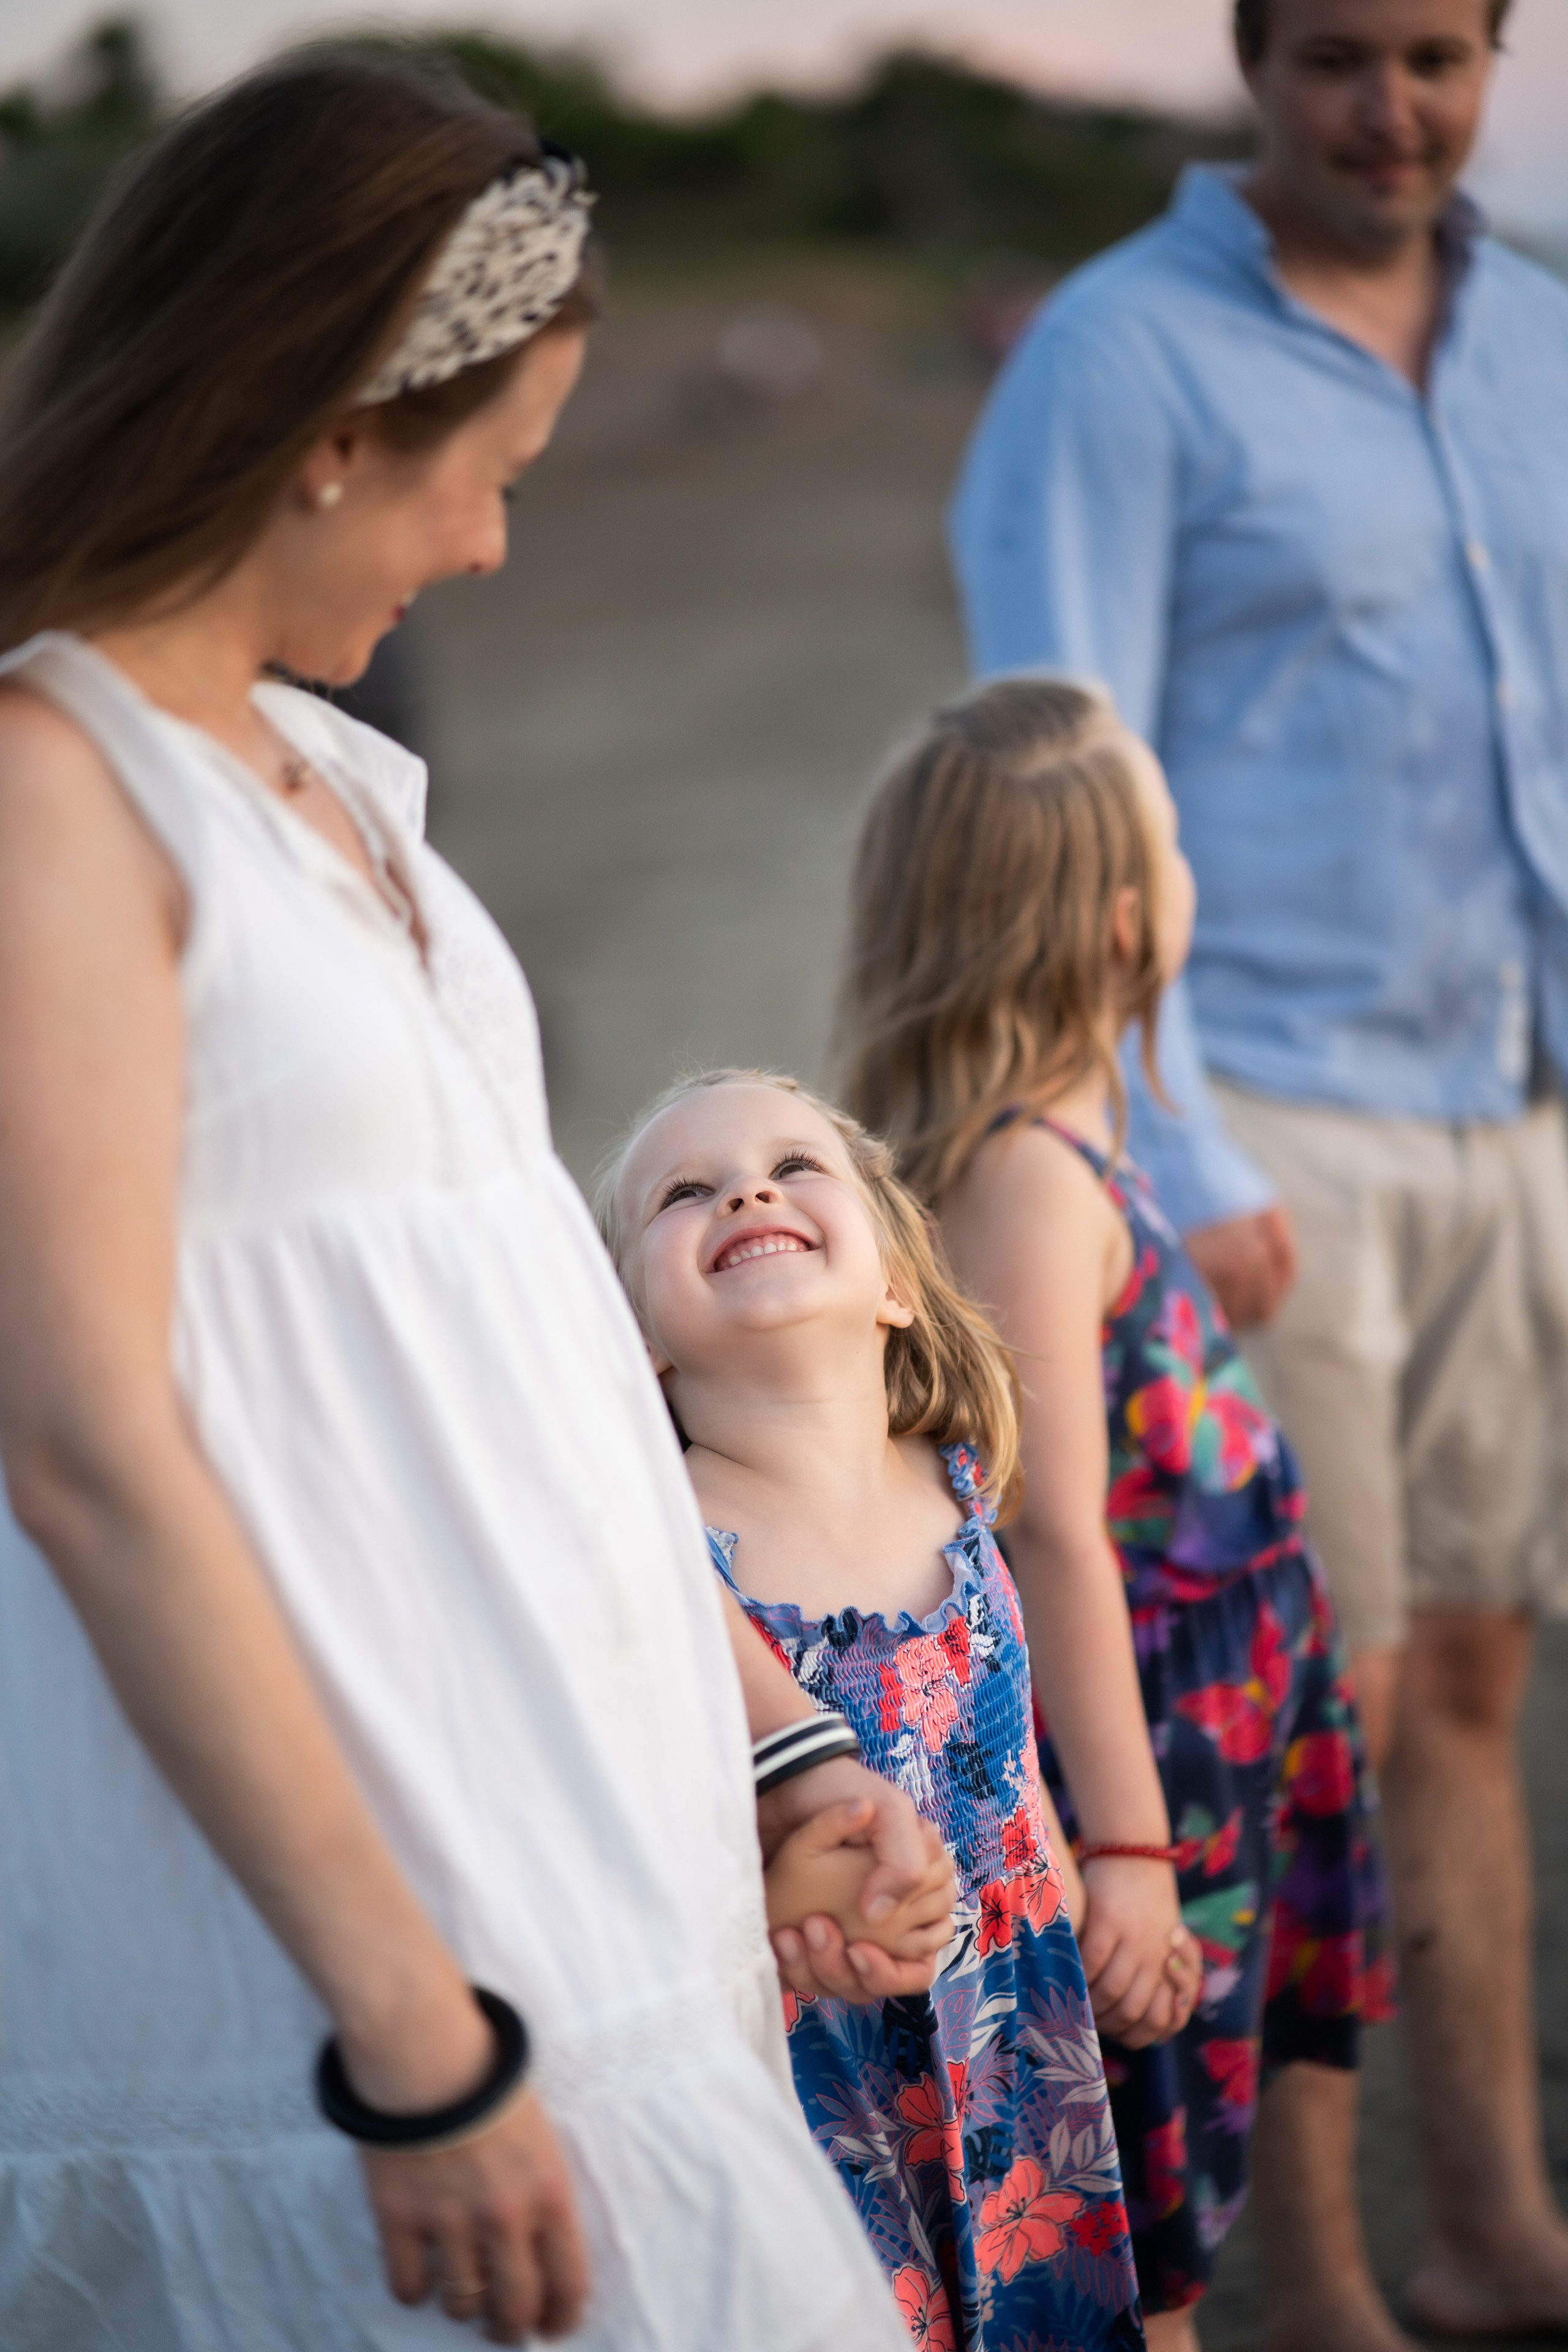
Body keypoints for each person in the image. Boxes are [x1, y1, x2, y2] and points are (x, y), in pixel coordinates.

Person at [0, 53, 957, 2352]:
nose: (498, 549)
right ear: (333, 424)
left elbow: (505, 1338)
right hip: (362, 1961)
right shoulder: (57, 797)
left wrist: (777, 1740)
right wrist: (413, 2038)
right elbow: (90, 1455)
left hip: (595, 1867)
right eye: (493, 472)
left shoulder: (330, 778)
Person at [948, 0, 1568, 2337]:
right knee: (1322, 1719)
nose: (1388, 108)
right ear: (1249, 58)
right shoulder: (1116, 363)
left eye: (1437, 53)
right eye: (1334, 58)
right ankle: (1315, 2283)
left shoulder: (1548, 348)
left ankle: (1498, 2224)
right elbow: (1061, 779)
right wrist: (1170, 1133)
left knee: (1483, 1682)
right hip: (1267, 1114)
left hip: (1516, 1096)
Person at [835, 676, 1391, 2348]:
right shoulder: (1024, 1175)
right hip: (1145, 1756)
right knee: (1141, 2216)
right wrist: (1131, 1855)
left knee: (1180, 2167)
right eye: (1172, 838)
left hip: (1219, 1721)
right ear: (1130, 920)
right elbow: (1052, 1529)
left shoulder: (1071, 1137)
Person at [596, 1066, 1155, 2351]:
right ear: (636, 1341)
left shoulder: (956, 1489)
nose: (745, 1187)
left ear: (897, 1284)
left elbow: (1003, 1760)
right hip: (811, 2092)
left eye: (795, 1166)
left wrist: (1076, 1895)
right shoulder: (660, 1548)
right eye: (684, 1193)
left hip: (1019, 2063)